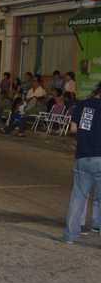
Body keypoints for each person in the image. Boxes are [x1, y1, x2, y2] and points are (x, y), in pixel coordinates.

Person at [64, 83, 101, 243]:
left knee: (78, 197)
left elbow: (73, 129)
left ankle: (70, 236)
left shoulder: (83, 105)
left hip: (83, 157)